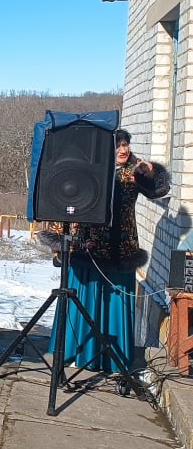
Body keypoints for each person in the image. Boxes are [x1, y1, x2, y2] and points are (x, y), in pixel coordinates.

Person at [56, 128, 170, 371]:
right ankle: (78, 351)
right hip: (87, 245)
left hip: (121, 247)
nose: (123, 149)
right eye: (118, 145)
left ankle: (112, 357)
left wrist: (152, 173)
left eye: (125, 144)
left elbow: (158, 191)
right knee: (84, 299)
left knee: (115, 303)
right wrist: (59, 243)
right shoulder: (91, 167)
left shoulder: (135, 170)